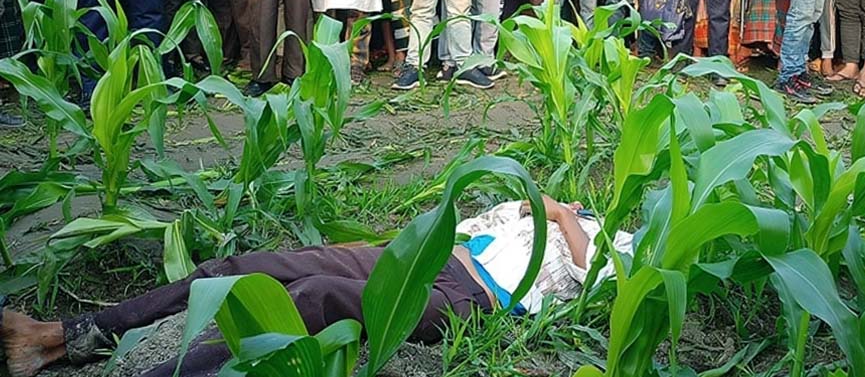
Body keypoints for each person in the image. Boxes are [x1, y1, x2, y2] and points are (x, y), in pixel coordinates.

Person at [0, 195, 630, 377]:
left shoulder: (620, 246)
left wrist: (563, 215)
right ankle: (64, 337)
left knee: (313, 301)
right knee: (243, 269)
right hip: (430, 257)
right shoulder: (548, 203)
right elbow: (469, 222)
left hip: (474, 298)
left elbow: (588, 277)